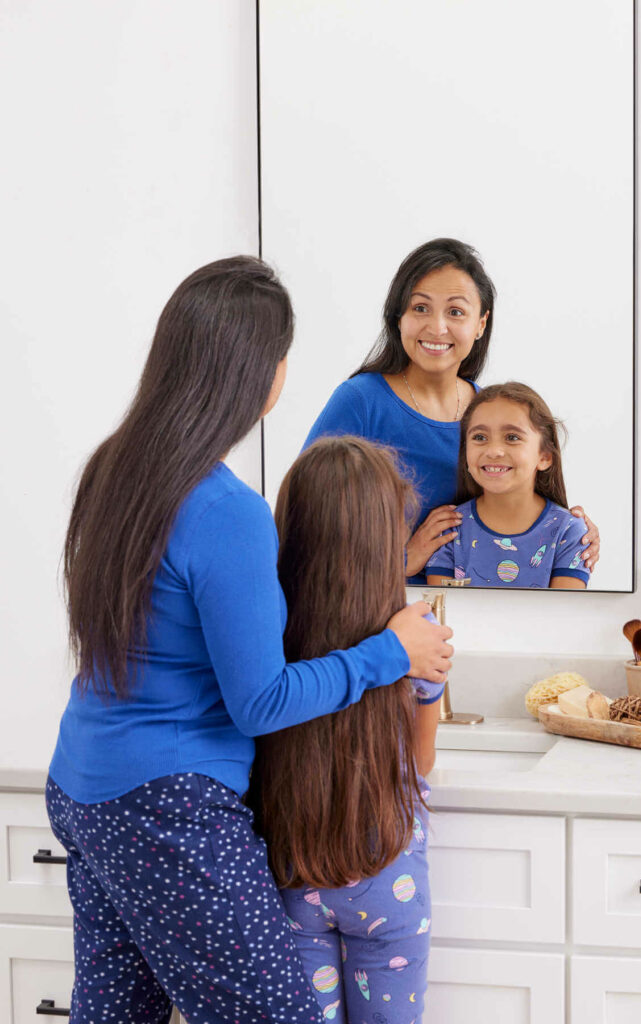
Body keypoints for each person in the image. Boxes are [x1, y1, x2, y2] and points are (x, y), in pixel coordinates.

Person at [45, 256, 452, 1024]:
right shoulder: (223, 508)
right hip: (168, 806)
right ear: (258, 372)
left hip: (81, 787)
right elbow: (262, 700)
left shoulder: (113, 471)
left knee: (115, 1013)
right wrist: (390, 653)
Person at [247, 436, 444, 1024]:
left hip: (292, 874)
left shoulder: (266, 640)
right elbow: (421, 761)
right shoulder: (415, 638)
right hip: (388, 881)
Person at [303, 238, 600, 581]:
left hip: (468, 616)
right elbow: (305, 519)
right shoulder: (360, 401)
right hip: (374, 612)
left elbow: (521, 508)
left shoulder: (490, 413)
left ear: (481, 324)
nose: (437, 327)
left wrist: (573, 535)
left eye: (456, 311)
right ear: (398, 317)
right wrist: (402, 561)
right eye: (420, 308)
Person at [426, 382, 591, 589]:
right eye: (479, 437)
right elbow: (441, 615)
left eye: (512, 437)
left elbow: (564, 615)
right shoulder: (449, 529)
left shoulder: (569, 531)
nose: (494, 451)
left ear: (545, 457)